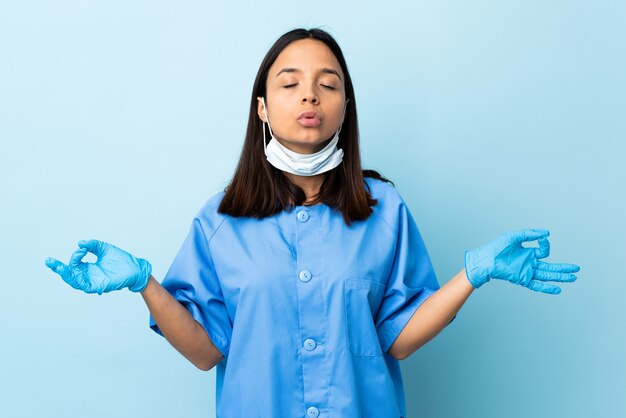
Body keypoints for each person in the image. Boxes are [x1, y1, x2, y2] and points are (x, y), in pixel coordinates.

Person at [44, 27, 581, 418]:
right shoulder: (219, 219)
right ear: (261, 108)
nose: (309, 95)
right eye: (290, 83)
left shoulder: (384, 209)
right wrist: (144, 284)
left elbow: (397, 339)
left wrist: (472, 275)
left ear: (345, 107)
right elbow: (207, 352)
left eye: (328, 84)